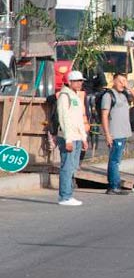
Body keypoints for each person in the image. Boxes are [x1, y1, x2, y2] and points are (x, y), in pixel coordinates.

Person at [98, 72, 134, 195]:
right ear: (114, 81)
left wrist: (128, 87)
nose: (122, 84)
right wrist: (107, 134)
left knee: (117, 160)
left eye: (124, 81)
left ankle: (115, 184)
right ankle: (113, 186)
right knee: (114, 160)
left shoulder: (124, 94)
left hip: (123, 133)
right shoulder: (108, 96)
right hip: (115, 133)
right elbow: (104, 115)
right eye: (120, 81)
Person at [55, 70, 88, 206]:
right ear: (70, 82)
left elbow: (78, 119)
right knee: (67, 167)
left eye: (81, 81)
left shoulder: (75, 96)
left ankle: (69, 194)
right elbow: (64, 119)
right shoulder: (64, 96)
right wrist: (68, 139)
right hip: (68, 137)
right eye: (77, 81)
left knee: (73, 167)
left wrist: (84, 138)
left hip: (77, 136)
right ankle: (64, 196)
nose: (80, 83)